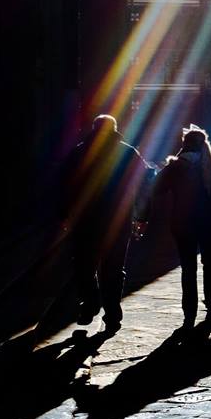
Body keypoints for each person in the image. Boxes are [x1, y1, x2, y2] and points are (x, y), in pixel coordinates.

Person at [61, 114, 150, 332]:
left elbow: (64, 187)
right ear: (114, 129)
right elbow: (143, 185)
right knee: (114, 268)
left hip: (86, 221)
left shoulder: (79, 152)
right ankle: (112, 312)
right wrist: (142, 216)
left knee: (84, 267)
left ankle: (89, 304)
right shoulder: (128, 152)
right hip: (117, 221)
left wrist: (65, 215)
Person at [150, 125, 211, 327]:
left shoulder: (175, 167)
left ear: (184, 145)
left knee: (188, 268)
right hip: (209, 222)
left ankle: (189, 311)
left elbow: (156, 189)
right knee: (210, 263)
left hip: (182, 222)